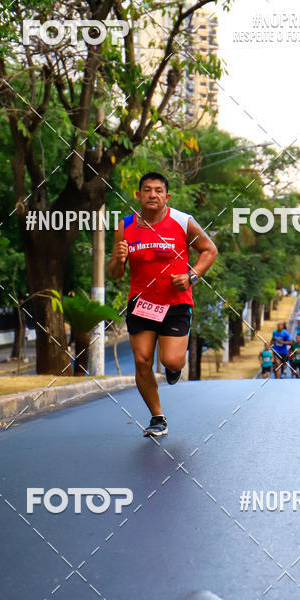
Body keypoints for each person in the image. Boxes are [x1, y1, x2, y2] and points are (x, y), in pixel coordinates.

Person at [108, 171, 217, 436]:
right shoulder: (126, 226)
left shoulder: (183, 222)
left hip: (176, 303)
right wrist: (118, 259)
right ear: (138, 195)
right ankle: (157, 417)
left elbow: (209, 249)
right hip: (141, 302)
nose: (152, 195)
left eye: (158, 190)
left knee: (172, 359)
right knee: (142, 359)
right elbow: (115, 274)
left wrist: (192, 276)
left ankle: (173, 368)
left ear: (166, 196)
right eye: (147, 190)